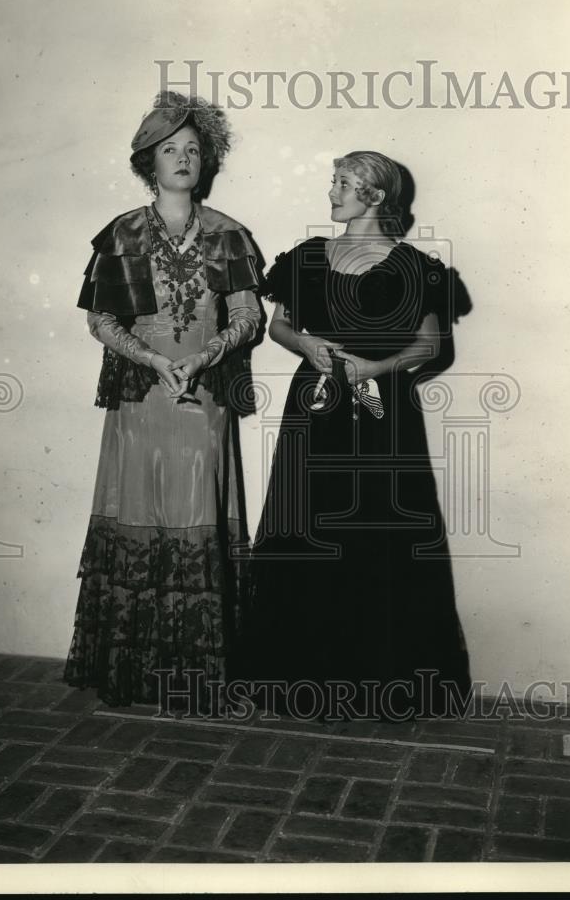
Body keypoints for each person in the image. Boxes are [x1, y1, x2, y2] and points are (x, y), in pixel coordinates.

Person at [237, 150, 472, 722]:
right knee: (305, 524)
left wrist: (372, 369)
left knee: (375, 531)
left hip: (379, 412)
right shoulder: (308, 257)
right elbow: (280, 325)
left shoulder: (415, 266)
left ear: (374, 196)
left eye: (344, 184)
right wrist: (308, 345)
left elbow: (429, 346)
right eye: (333, 182)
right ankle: (295, 680)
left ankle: (375, 685)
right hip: (314, 405)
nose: (332, 193)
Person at [64, 91, 262, 709]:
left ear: (208, 161)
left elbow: (249, 316)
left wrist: (203, 358)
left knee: (197, 506)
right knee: (142, 510)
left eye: (193, 149)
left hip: (203, 393)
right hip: (142, 393)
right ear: (148, 161)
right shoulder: (122, 233)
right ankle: (134, 672)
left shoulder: (230, 235)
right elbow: (100, 320)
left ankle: (199, 676)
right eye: (169, 149)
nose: (182, 158)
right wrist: (153, 360)